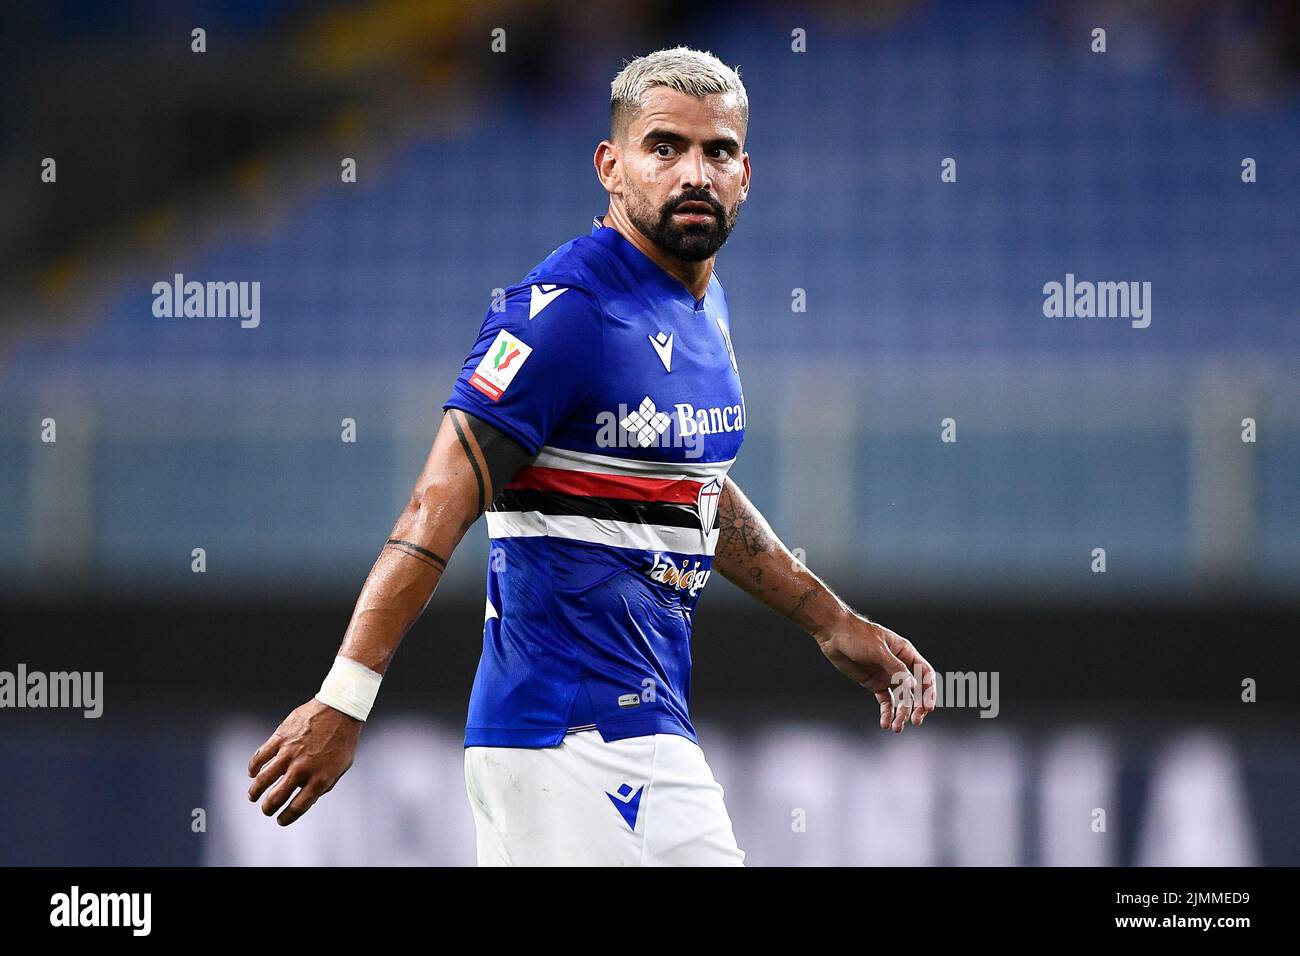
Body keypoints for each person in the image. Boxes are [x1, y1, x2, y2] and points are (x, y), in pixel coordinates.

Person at [248, 46, 936, 866]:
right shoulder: (566, 313)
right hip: (567, 739)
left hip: (635, 732)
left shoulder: (703, 306)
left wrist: (829, 620)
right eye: (664, 147)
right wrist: (344, 698)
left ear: (745, 174)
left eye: (717, 152)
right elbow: (437, 506)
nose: (694, 172)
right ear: (612, 166)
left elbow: (690, 487)